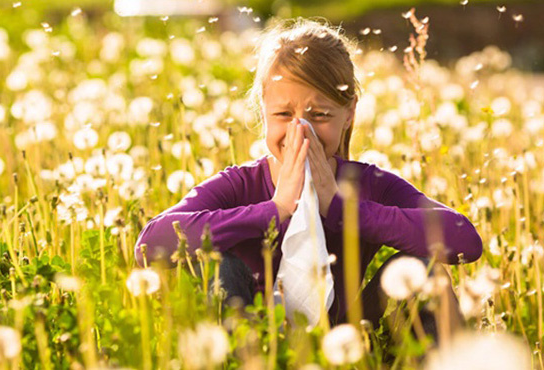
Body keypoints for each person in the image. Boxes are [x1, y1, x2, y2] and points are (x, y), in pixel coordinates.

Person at [134, 18, 483, 335]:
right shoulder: (241, 184)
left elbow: (465, 240)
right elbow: (150, 245)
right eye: (284, 114)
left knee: (423, 271)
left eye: (319, 115)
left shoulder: (368, 184)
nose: (300, 130)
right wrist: (275, 209)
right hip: (252, 337)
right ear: (263, 112)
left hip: (350, 338)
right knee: (217, 265)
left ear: (349, 114)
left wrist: (343, 209)